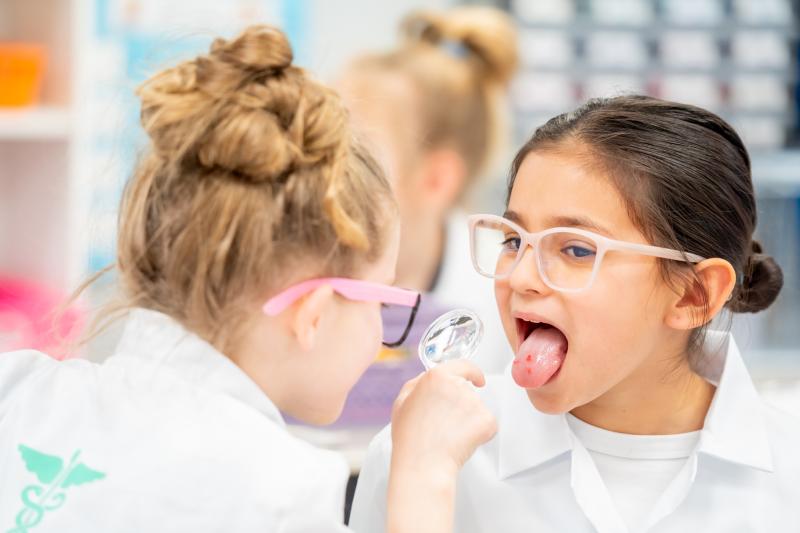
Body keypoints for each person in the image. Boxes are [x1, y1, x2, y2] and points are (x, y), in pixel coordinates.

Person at [0, 25, 496, 533]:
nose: (379, 334)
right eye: (381, 304)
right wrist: (422, 474)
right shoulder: (283, 492)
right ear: (314, 314)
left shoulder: (20, 390)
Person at [350, 96, 800, 532]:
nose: (521, 276)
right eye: (513, 240)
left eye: (577, 249)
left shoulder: (788, 474)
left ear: (694, 295)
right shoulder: (418, 454)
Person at [337, 6, 518, 373]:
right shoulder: (298, 265)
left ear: (436, 180)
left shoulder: (505, 296)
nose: (322, 169)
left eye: (356, 155)